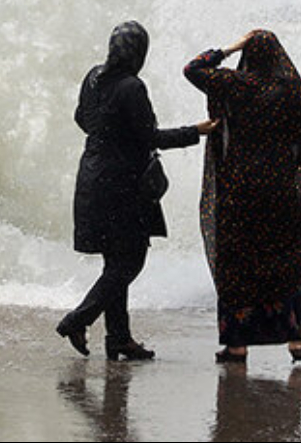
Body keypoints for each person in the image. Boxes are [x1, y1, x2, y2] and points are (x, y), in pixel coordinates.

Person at [56, 21, 216, 360]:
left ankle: (119, 339)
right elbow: (152, 138)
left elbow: (81, 118)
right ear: (140, 53)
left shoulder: (93, 76)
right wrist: (196, 131)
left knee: (114, 262)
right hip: (122, 185)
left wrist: (110, 135)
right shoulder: (132, 87)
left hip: (91, 176)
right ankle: (77, 319)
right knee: (130, 261)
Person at [184, 29, 301, 364]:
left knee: (236, 264)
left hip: (238, 190)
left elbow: (192, 69)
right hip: (280, 191)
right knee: (288, 262)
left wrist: (229, 47)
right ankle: (297, 342)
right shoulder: (293, 91)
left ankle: (236, 346)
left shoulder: (233, 85)